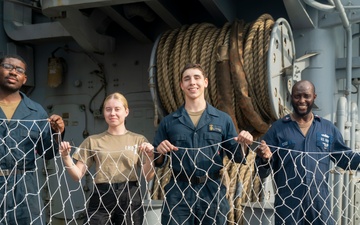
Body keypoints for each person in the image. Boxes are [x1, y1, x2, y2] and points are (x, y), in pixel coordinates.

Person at [153, 63, 253, 225]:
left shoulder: (223, 119)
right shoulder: (169, 122)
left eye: (197, 78)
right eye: (187, 79)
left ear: (205, 82)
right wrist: (160, 151)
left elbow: (236, 156)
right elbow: (158, 162)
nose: (192, 82)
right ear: (181, 85)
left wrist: (244, 143)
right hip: (179, 192)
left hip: (212, 191)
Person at [255, 80, 360, 225]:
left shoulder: (327, 128)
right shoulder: (278, 129)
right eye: (297, 96)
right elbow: (261, 171)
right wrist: (265, 158)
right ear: (290, 97)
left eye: (306, 96)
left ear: (314, 97)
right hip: (288, 207)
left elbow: (345, 158)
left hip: (319, 206)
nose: (302, 100)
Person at [59, 92, 155, 225]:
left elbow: (147, 176)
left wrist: (150, 157)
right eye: (108, 109)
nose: (112, 113)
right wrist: (65, 157)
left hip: (130, 195)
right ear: (103, 112)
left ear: (126, 111)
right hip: (102, 195)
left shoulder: (138, 140)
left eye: (117, 109)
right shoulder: (92, 141)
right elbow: (77, 175)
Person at [0, 54, 65, 225]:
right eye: (8, 66)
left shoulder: (36, 112)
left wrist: (57, 133)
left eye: (19, 70)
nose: (13, 72)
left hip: (25, 187)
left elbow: (48, 153)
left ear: (24, 78)